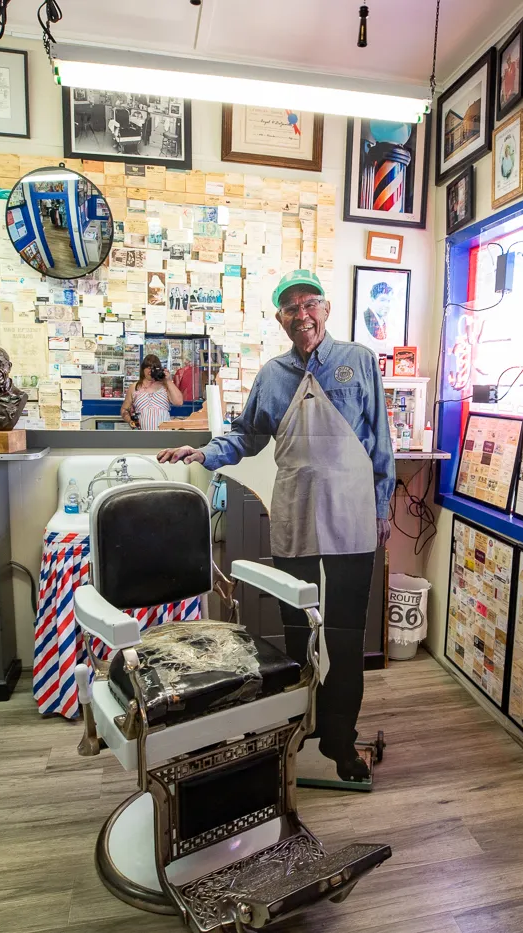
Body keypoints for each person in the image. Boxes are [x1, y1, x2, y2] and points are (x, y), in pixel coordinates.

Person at [159, 269, 394, 782]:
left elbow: (380, 441)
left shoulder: (358, 362)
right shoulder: (272, 375)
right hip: (294, 510)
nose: (302, 315)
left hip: (353, 513)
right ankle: (301, 724)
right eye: (291, 308)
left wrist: (382, 508)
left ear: (325, 309)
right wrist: (202, 451)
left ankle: (340, 741)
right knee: (298, 632)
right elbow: (245, 437)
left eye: (310, 304)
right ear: (280, 318)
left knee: (346, 636)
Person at [122, 354, 182, 430]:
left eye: (154, 368)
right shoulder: (134, 387)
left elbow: (179, 402)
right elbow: (124, 410)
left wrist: (168, 380)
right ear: (143, 369)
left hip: (164, 436)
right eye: (148, 367)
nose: (151, 370)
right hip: (142, 435)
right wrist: (130, 421)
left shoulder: (165, 386)